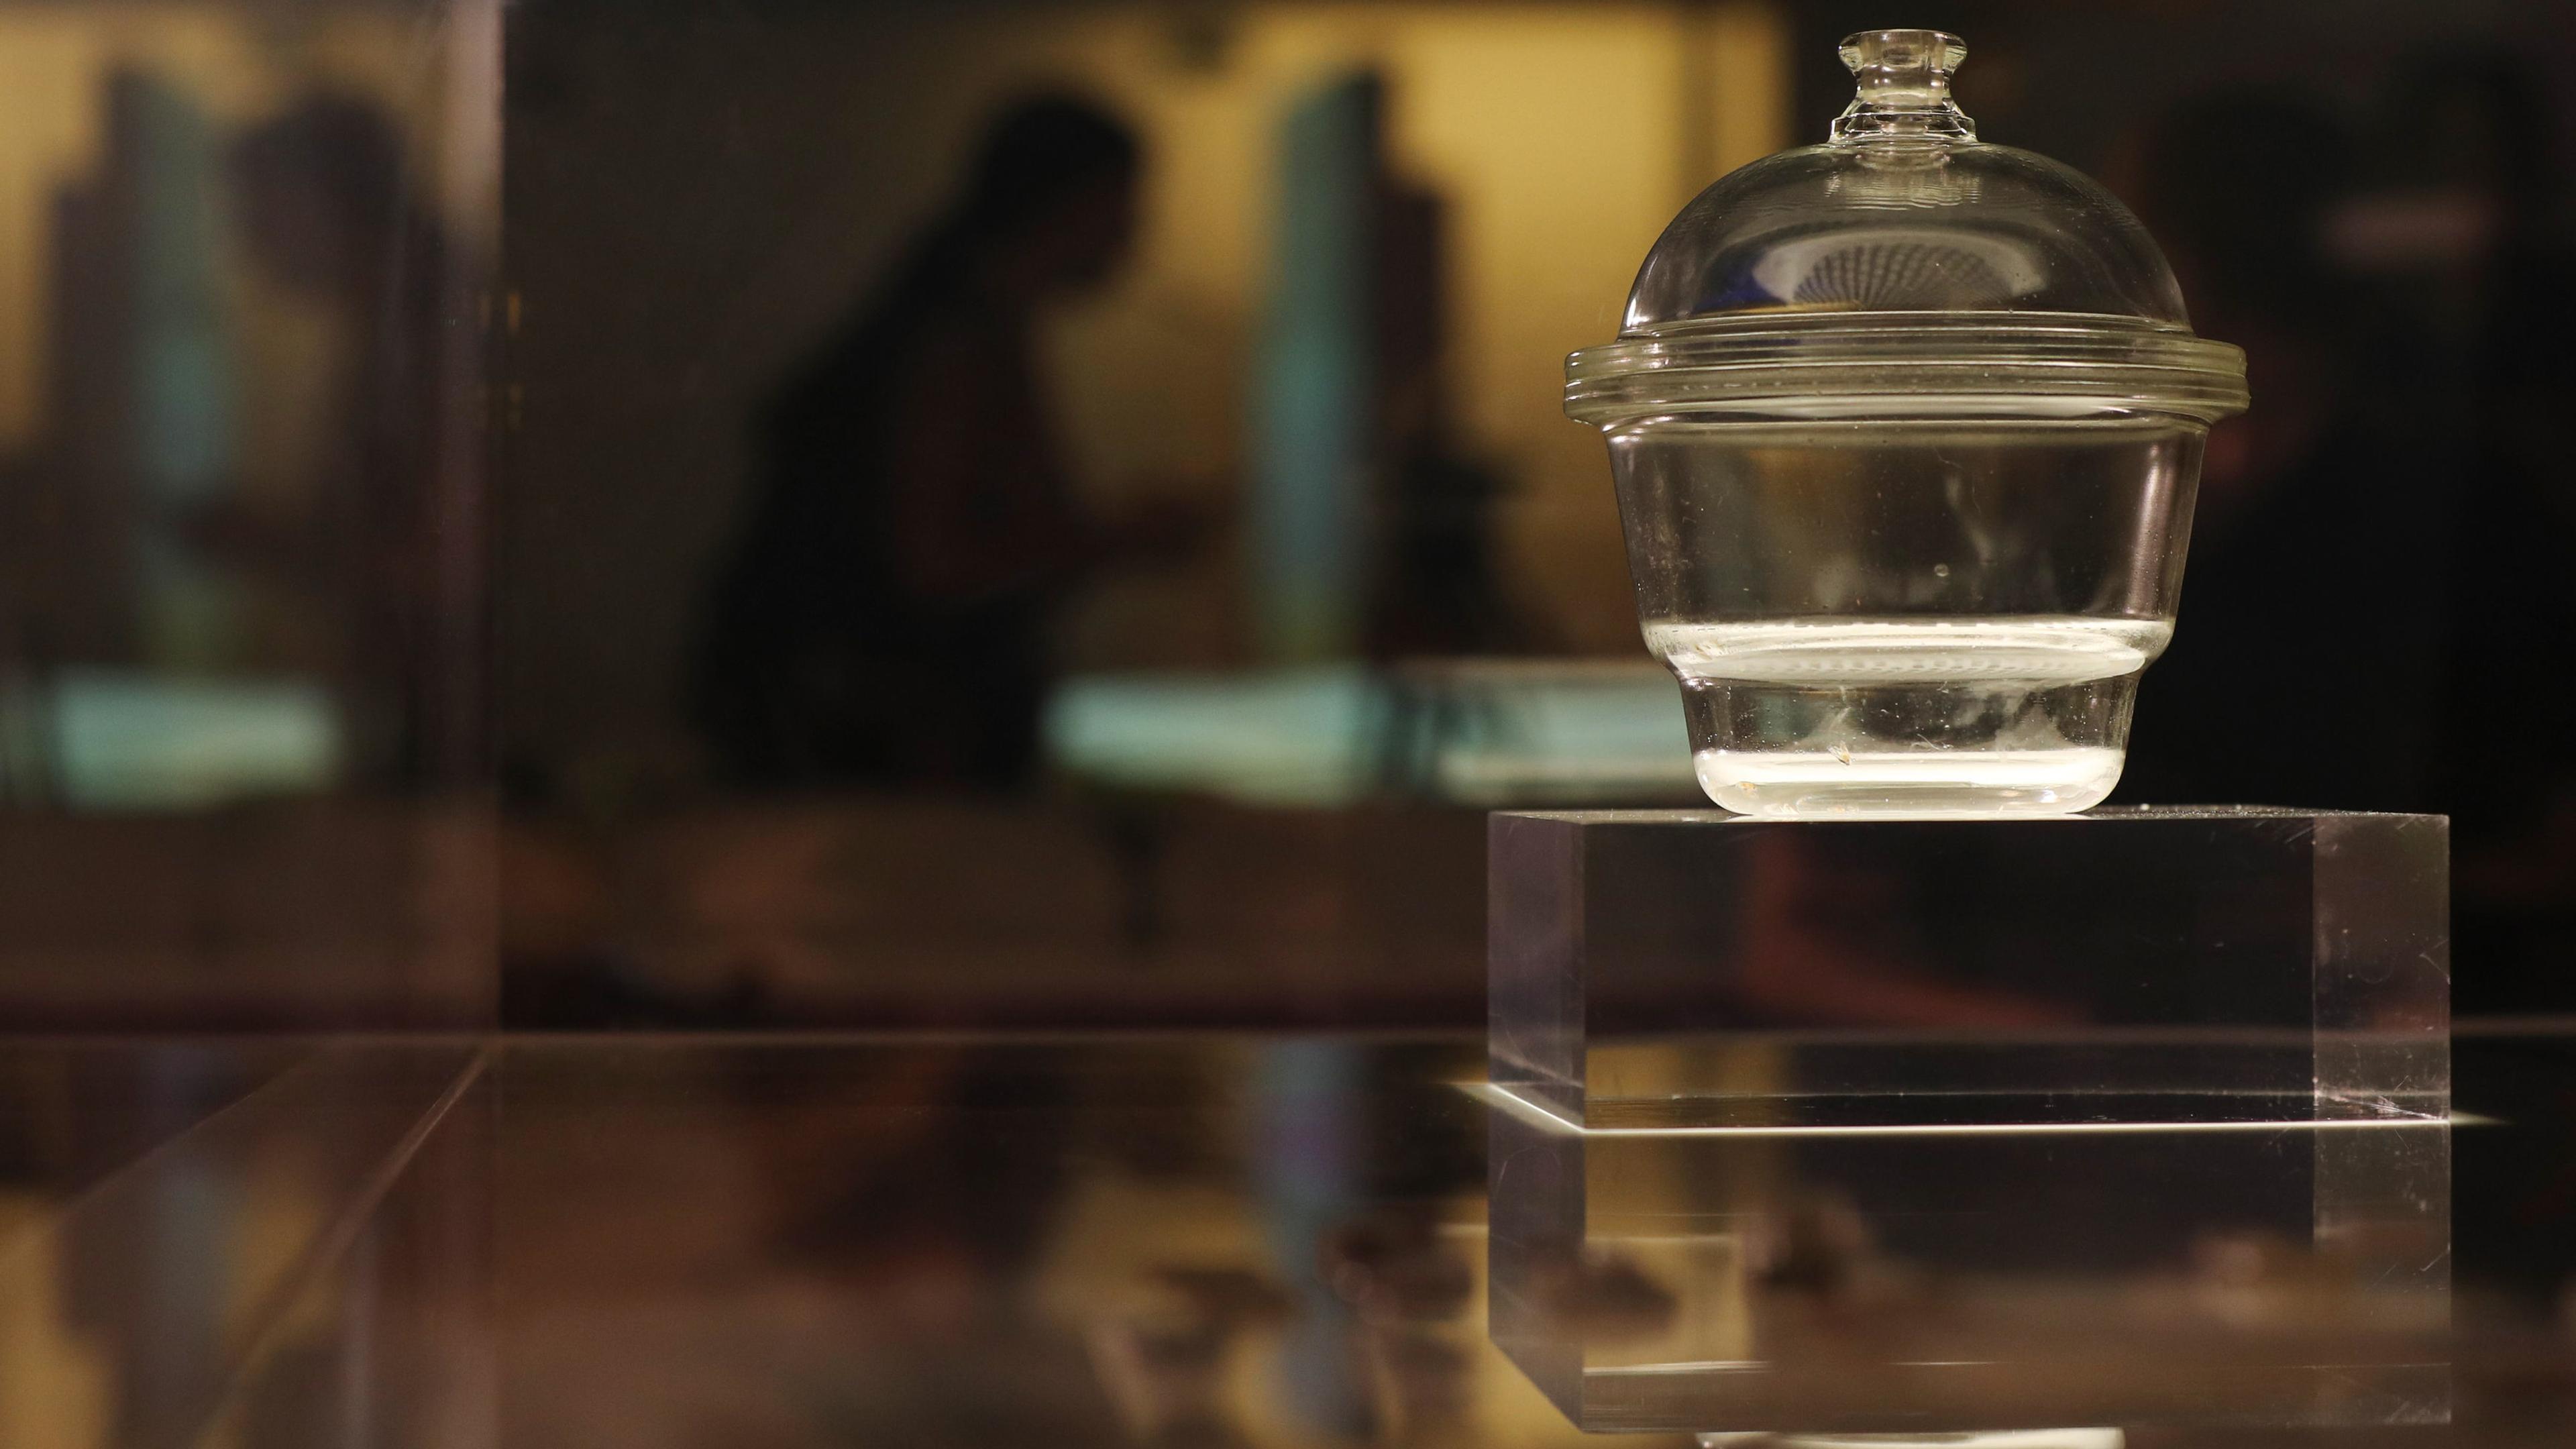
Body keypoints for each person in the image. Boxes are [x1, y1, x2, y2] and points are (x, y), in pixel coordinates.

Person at [697, 94, 1203, 790]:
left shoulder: (975, 320)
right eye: (1124, 205)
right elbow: (936, 567)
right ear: (1069, 202)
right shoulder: (957, 339)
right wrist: (1117, 540)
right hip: (872, 744)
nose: (1134, 233)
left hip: (869, 728)